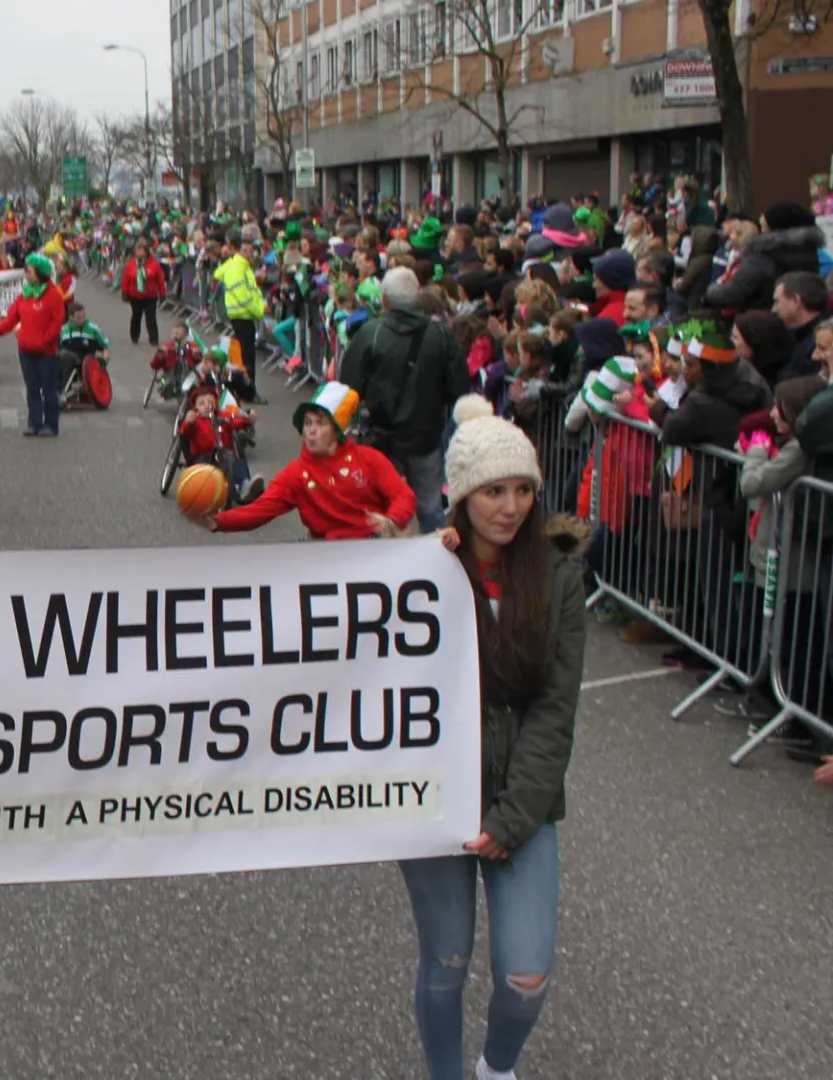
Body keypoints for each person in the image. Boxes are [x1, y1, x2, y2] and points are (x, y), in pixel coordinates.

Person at [412, 394, 586, 1080]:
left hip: (522, 803)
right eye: (492, 491)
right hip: (433, 800)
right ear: (460, 495)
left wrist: (514, 817)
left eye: (521, 489)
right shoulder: (424, 570)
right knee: (446, 963)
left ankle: (496, 1067)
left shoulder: (557, 579)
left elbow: (554, 708)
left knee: (526, 976)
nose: (509, 507)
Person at [338, 267, 470, 535]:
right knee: (431, 508)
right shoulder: (441, 335)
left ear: (384, 300)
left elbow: (348, 386)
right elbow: (458, 387)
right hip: (426, 437)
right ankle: (438, 565)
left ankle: (380, 566)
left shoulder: (370, 334)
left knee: (379, 507)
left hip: (382, 437)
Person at [195, 381, 414, 538]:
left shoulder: (369, 458)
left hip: (372, 546)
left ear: (337, 431)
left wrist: (392, 520)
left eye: (320, 424)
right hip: (324, 553)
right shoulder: (296, 473)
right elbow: (261, 510)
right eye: (308, 423)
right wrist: (218, 522)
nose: (311, 431)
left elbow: (403, 495)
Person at [0, 254, 68, 437]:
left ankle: (51, 424)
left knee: (48, 389)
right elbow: (12, 318)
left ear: (40, 273)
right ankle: (35, 423)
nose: (26, 273)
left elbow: (57, 322)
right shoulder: (25, 294)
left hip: (45, 352)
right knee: (32, 388)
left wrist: (45, 340)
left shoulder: (52, 295)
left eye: (29, 270)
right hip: (26, 350)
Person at [215, 229, 266, 403]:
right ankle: (248, 392)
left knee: (242, 354)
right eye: (245, 250)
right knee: (247, 356)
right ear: (238, 251)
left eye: (251, 250)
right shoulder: (238, 267)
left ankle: (240, 388)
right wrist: (259, 310)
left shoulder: (241, 266)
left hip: (243, 315)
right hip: (242, 315)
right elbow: (244, 296)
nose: (249, 254)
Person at [120, 237, 167, 347]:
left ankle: (154, 339)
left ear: (146, 251)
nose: (139, 252)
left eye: (141, 250)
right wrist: (124, 292)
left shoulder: (154, 264)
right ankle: (134, 336)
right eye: (137, 250)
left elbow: (160, 279)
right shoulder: (131, 264)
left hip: (150, 295)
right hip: (135, 295)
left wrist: (162, 293)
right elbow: (125, 278)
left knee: (151, 318)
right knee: (136, 316)